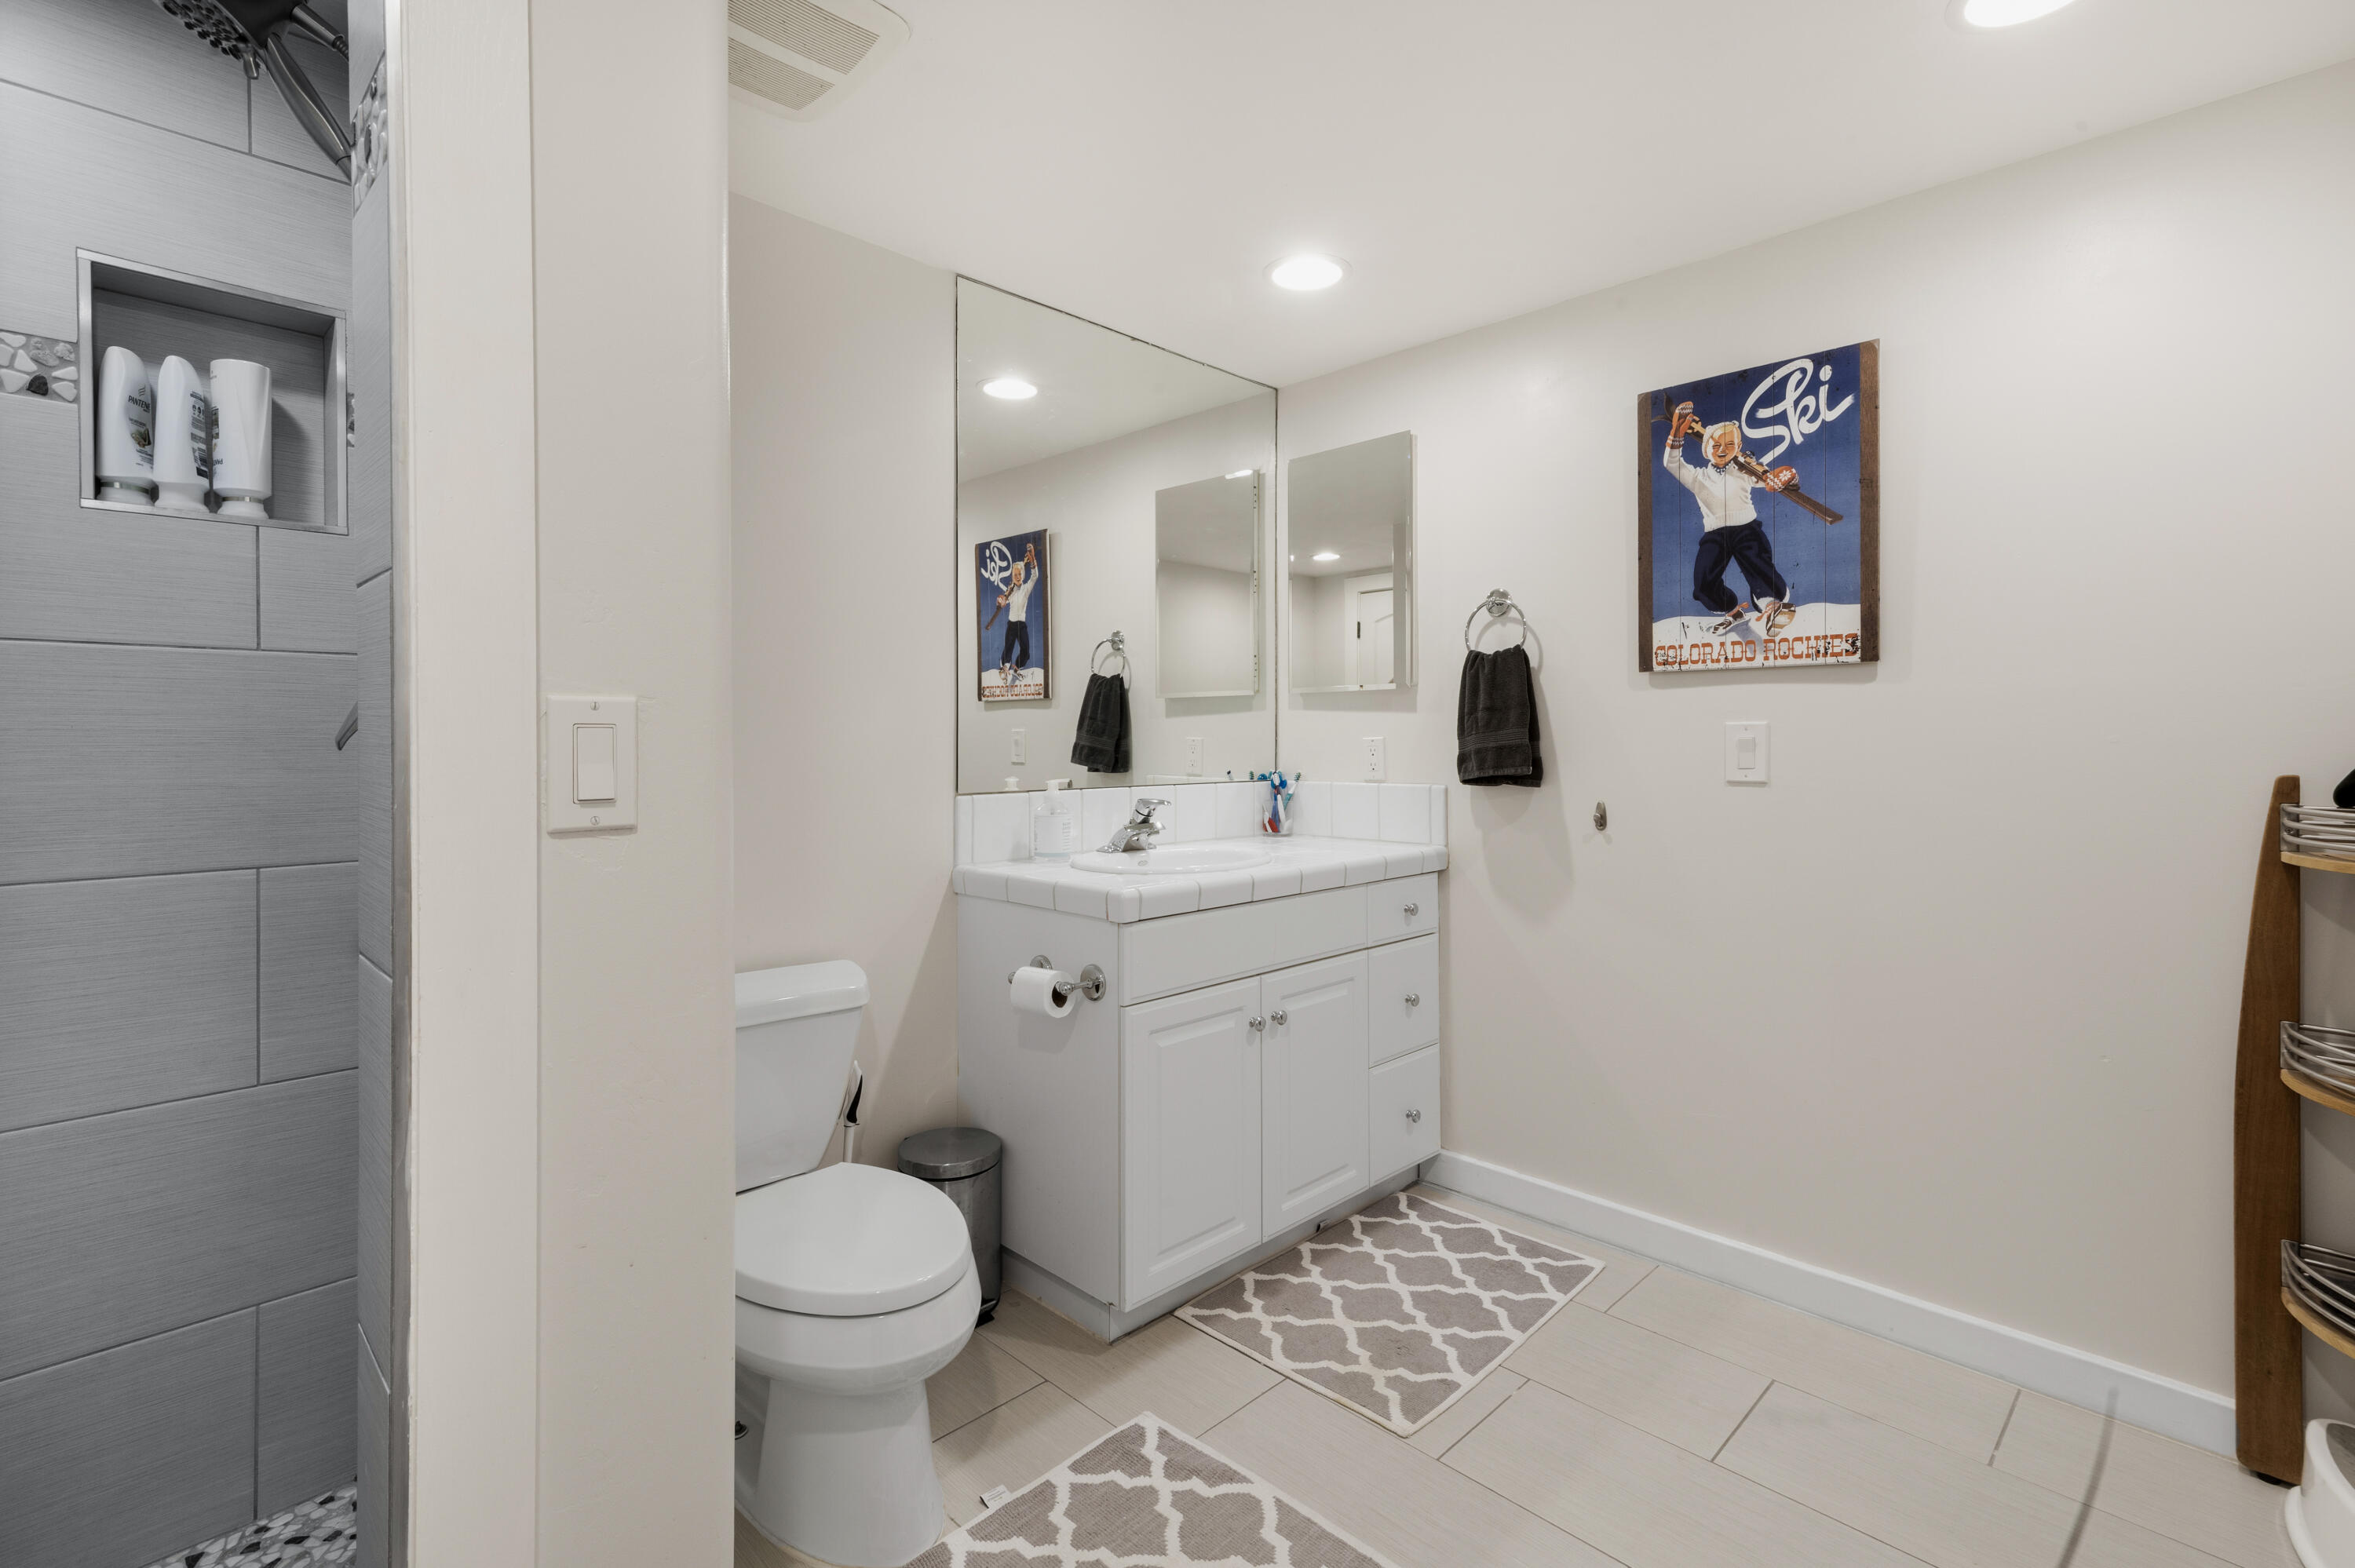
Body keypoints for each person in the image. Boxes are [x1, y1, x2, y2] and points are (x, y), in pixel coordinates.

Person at [1664, 401, 1798, 636]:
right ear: (1706, 449)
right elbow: (1671, 463)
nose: (1723, 450)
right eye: (1716, 445)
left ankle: (1774, 606)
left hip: (1747, 529)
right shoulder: (1697, 477)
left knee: (1757, 564)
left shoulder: (1744, 469)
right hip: (1715, 534)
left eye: (1730, 444)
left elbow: (1771, 479)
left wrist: (1787, 477)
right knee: (1703, 581)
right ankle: (1732, 611)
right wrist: (1676, 436)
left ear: (1739, 447)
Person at [995, 544, 1038, 685]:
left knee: (1026, 651)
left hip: (1021, 625)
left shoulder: (1026, 589)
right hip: (1011, 625)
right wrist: (1001, 601)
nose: (1018, 577)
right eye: (1015, 575)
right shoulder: (1011, 590)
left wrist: (1032, 562)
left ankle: (1017, 667)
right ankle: (1005, 669)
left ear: (1023, 575)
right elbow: (1003, 600)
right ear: (1012, 577)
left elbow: (1035, 577)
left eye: (1020, 574)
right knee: (1008, 648)